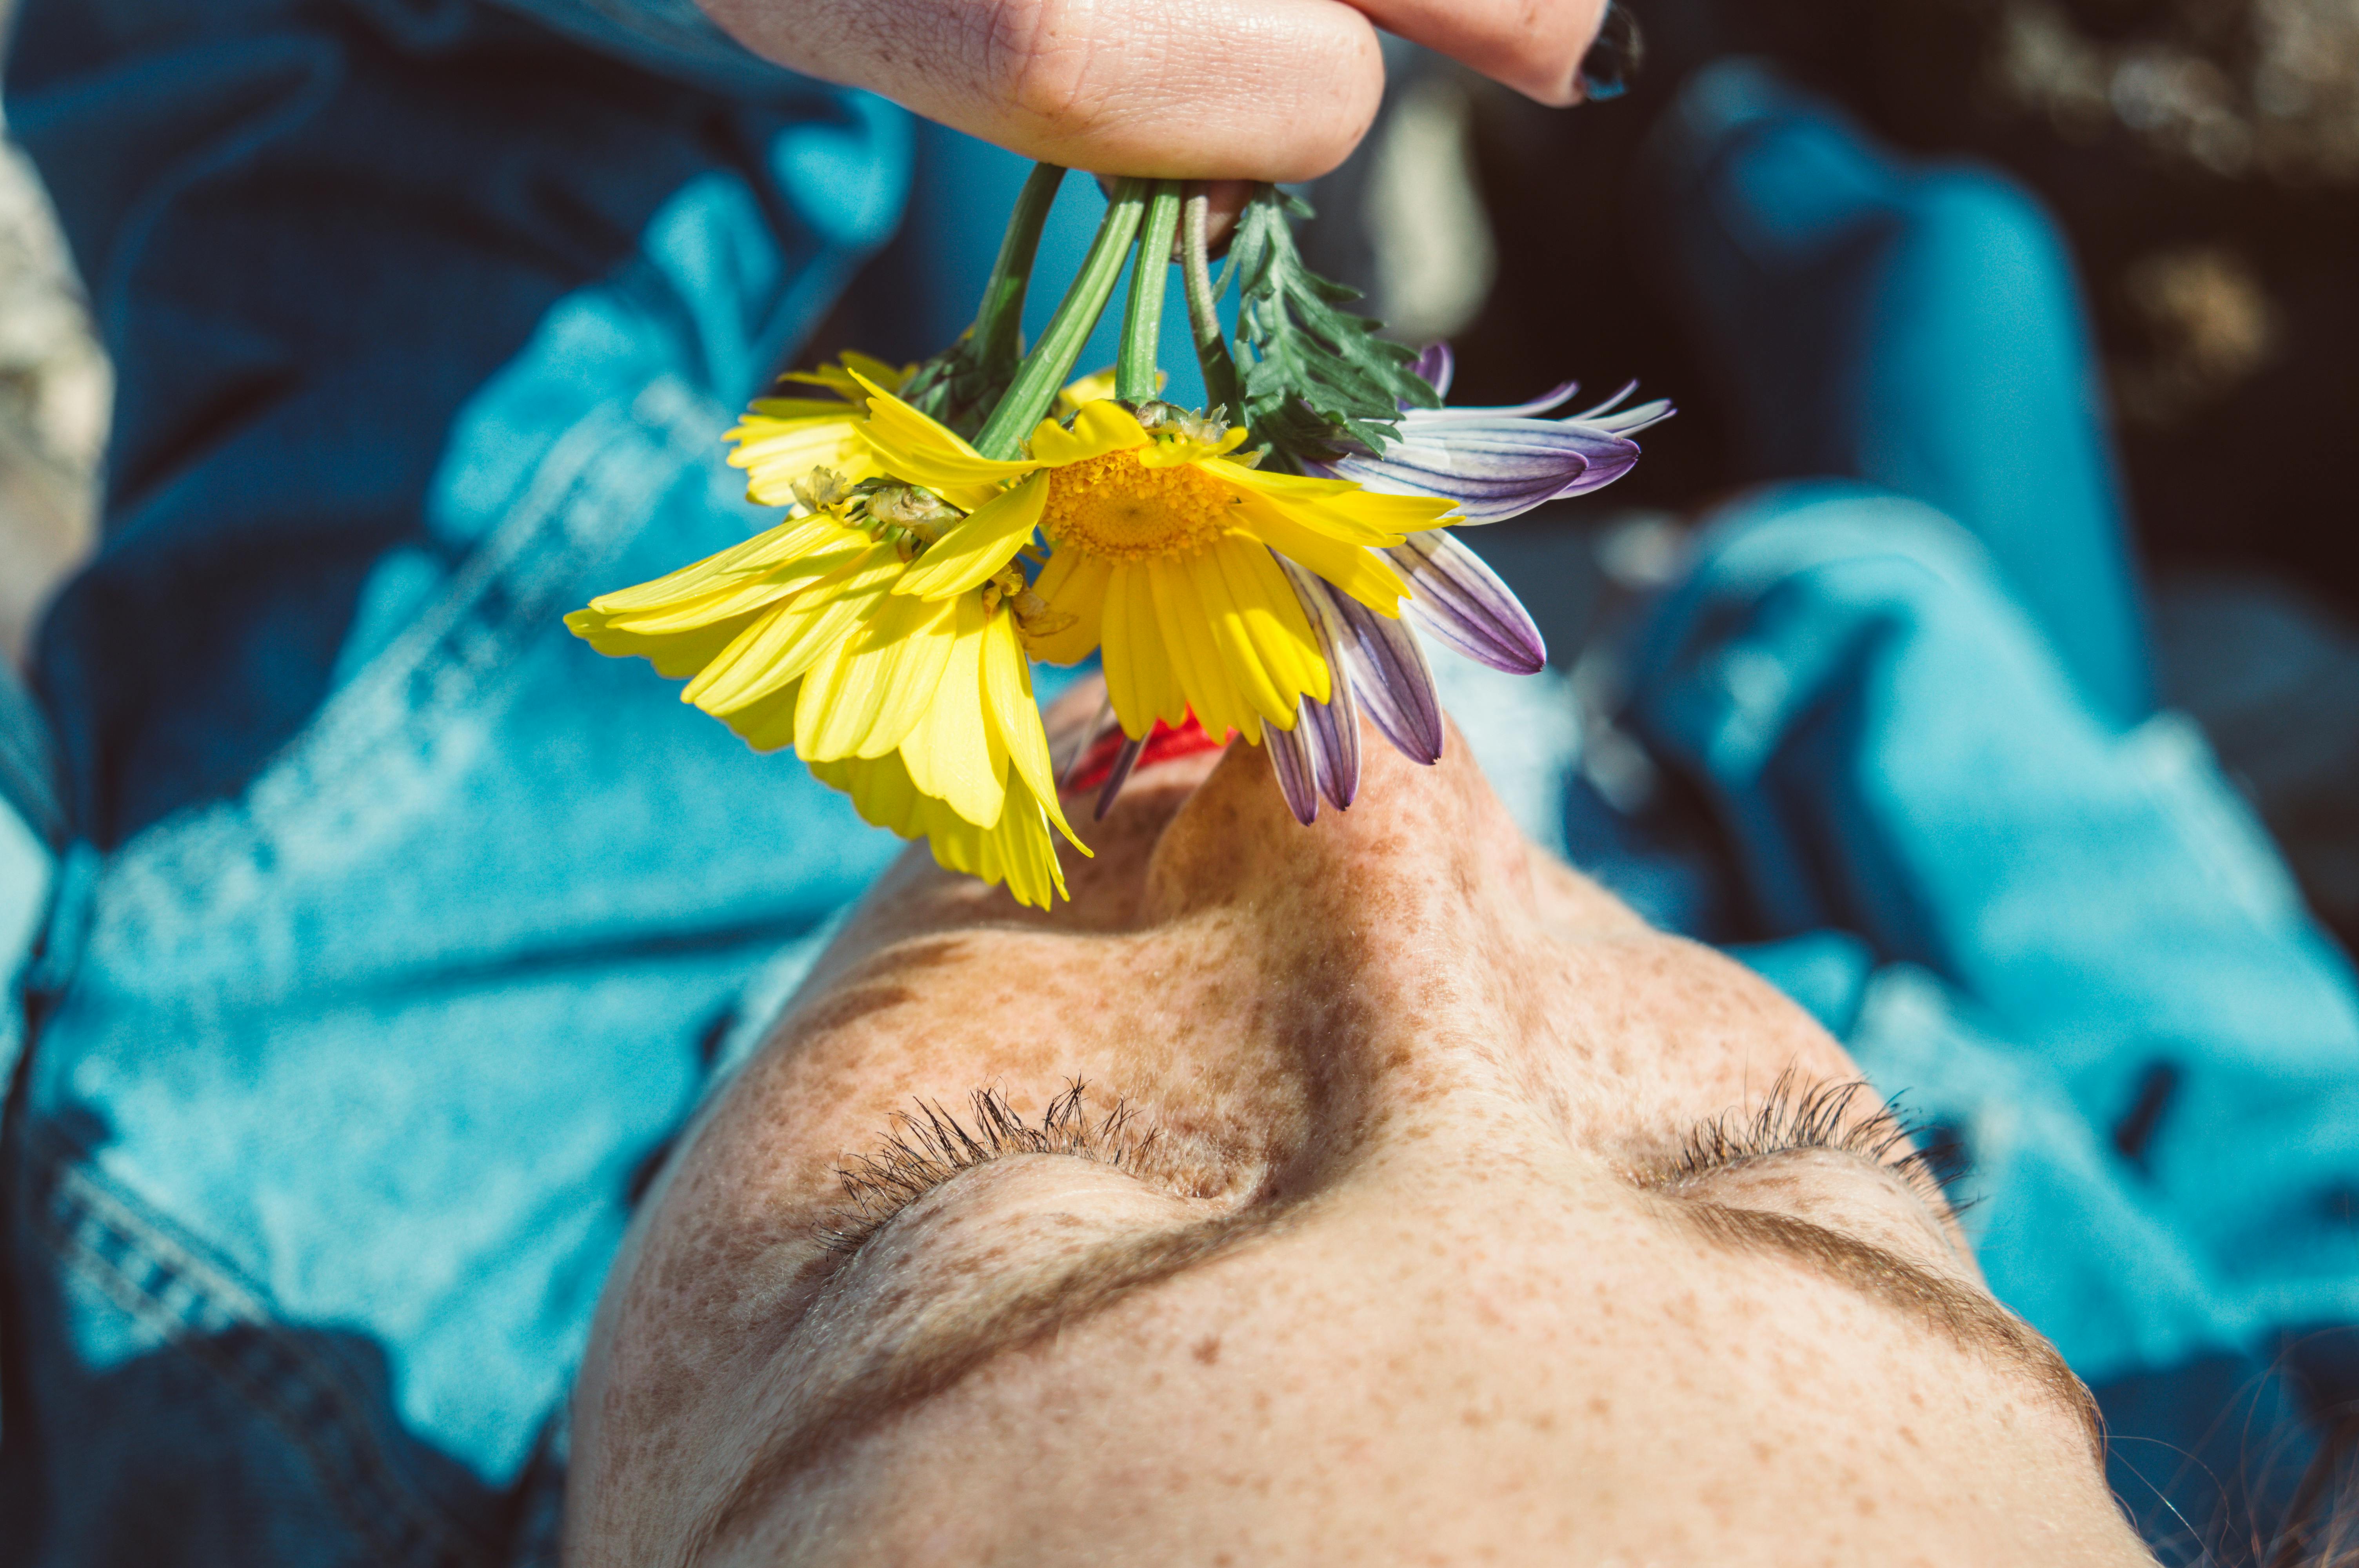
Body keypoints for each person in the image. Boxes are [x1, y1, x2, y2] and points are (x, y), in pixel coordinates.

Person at [0, 5, 2355, 1568]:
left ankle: (1654, 145)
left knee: (1045, 121)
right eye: (1809, 1181)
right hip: (1768, 698)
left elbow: (324, 94)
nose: (1379, 796)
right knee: (1954, 262)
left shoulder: (304, 1008)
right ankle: (1697, 114)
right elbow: (2130, 933)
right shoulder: (2269, 1372)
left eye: (976, 1212)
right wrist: (1810, 624)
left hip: (1396, 576)